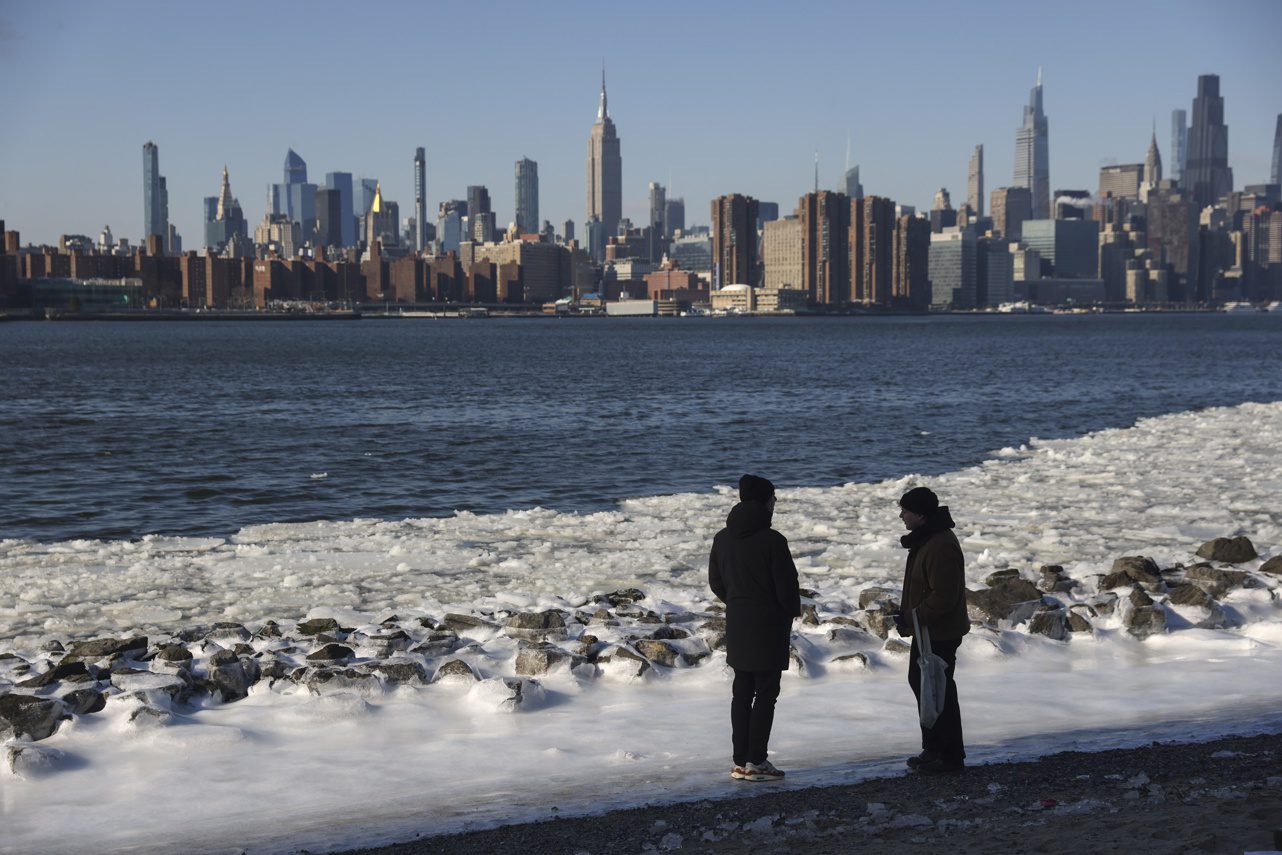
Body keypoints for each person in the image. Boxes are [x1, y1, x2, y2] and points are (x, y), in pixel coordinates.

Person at [708, 474, 801, 783]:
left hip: (738, 622)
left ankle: (740, 761)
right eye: (773, 498)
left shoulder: (722, 537)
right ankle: (757, 762)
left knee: (741, 692)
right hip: (768, 625)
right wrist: (787, 612)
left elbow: (715, 582)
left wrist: (736, 602)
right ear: (765, 501)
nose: (775, 504)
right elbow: (787, 588)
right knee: (766, 693)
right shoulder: (773, 541)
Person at [894, 486, 969, 774]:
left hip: (941, 631)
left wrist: (914, 617)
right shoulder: (928, 538)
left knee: (939, 689)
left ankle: (949, 755)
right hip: (928, 630)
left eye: (906, 511)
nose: (901, 515)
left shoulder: (940, 545)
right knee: (927, 684)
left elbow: (944, 596)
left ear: (921, 516)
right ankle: (934, 748)